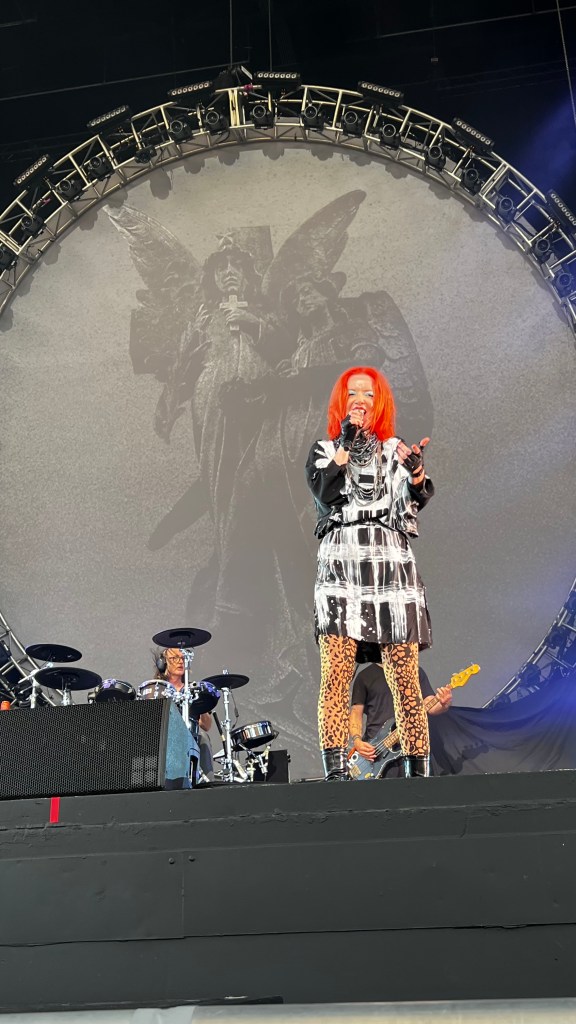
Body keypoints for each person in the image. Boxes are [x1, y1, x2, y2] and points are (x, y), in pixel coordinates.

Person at [305, 365, 434, 780]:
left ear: (380, 404)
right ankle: (335, 772)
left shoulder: (394, 449)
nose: (361, 400)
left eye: (369, 394)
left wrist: (416, 471)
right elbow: (326, 490)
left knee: (404, 677)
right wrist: (345, 440)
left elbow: (414, 498)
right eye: (353, 393)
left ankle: (418, 771)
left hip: (390, 566)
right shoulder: (325, 449)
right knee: (336, 674)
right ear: (341, 403)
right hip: (342, 566)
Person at [349, 653, 452, 771]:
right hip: (375, 751)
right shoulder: (364, 676)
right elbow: (356, 712)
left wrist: (443, 704)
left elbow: (429, 705)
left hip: (412, 747)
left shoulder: (414, 671)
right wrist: (357, 740)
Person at [155, 648, 214, 778]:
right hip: (164, 735)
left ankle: (208, 781)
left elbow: (206, 725)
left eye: (182, 658)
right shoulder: (156, 689)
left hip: (190, 734)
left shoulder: (193, 689)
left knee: (203, 736)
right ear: (163, 663)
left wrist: (201, 704)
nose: (180, 662)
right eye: (174, 658)